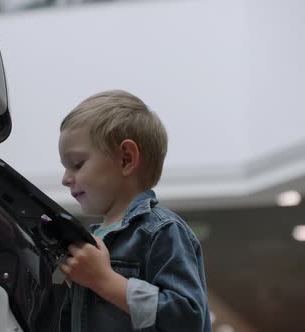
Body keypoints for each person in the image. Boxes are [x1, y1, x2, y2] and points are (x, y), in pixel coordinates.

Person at [57, 89, 211, 331]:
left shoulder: (161, 230)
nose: (66, 179)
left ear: (126, 159)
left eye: (77, 164)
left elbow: (187, 318)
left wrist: (104, 280)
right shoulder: (93, 240)